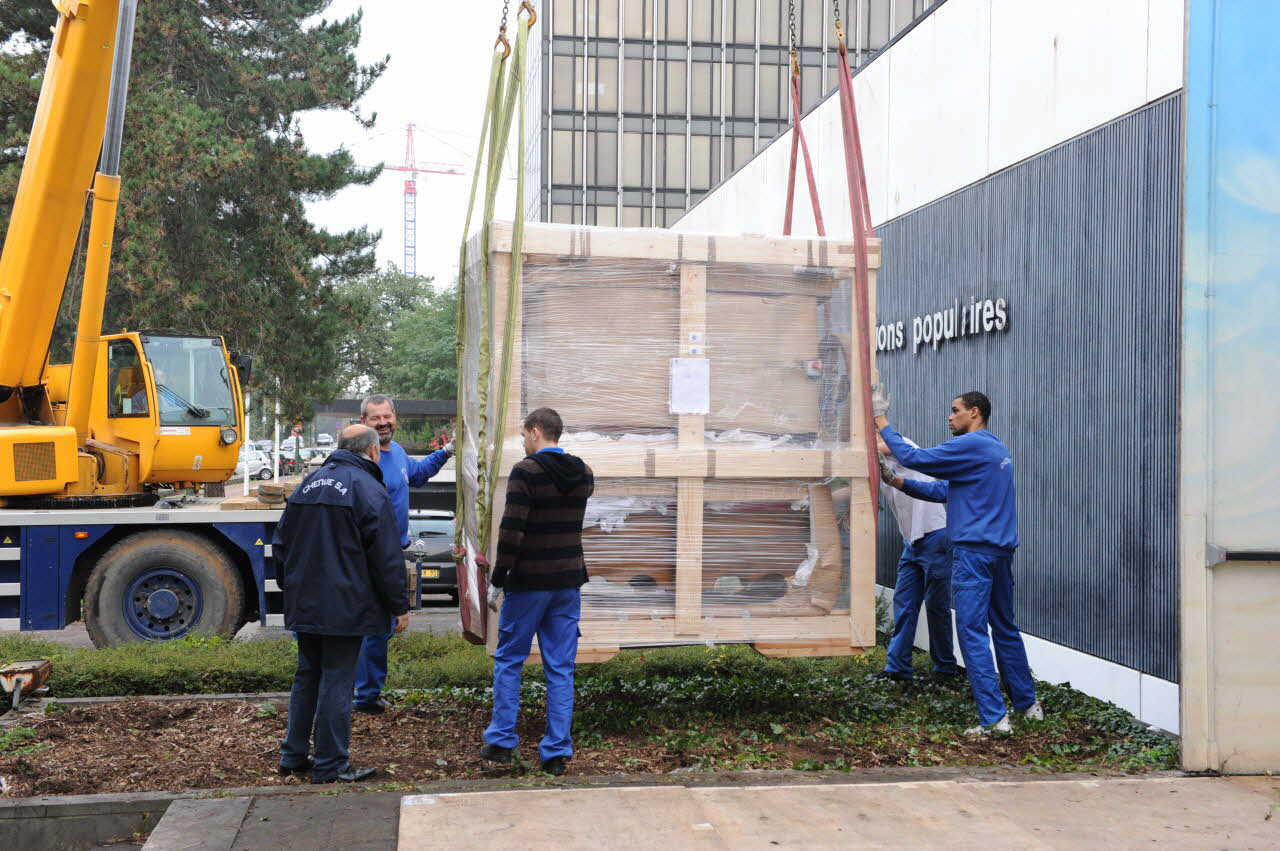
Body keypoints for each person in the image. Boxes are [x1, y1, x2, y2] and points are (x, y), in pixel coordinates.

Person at [873, 387, 1042, 736]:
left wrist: (879, 418)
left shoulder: (971, 445)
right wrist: (896, 480)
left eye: (955, 410)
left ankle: (994, 720)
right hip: (998, 553)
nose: (949, 417)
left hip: (973, 555)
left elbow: (917, 457)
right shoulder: (995, 448)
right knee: (1005, 628)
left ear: (975, 413)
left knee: (971, 631)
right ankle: (1027, 705)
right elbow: (944, 491)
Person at [274, 425, 410, 783]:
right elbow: (386, 556)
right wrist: (399, 605)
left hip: (305, 602)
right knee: (338, 678)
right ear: (372, 451)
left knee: (308, 674)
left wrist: (292, 589)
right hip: (345, 605)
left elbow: (281, 544)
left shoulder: (308, 483)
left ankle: (293, 755)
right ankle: (331, 764)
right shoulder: (369, 489)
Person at [480, 408, 594, 776]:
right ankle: (556, 753)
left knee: (510, 660)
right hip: (567, 582)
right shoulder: (584, 473)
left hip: (529, 582)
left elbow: (512, 530)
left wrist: (497, 579)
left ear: (534, 432)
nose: (523, 442)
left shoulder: (526, 471)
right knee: (560, 667)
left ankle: (501, 743)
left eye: (524, 435)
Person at [352, 394, 454, 713]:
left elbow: (418, 473)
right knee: (373, 627)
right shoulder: (362, 458)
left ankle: (368, 692)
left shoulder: (395, 452)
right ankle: (361, 695)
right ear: (363, 422)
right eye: (375, 418)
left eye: (387, 416)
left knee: (383, 627)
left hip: (392, 552)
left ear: (395, 417)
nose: (383, 423)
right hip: (369, 555)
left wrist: (448, 451)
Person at [866, 432, 962, 685]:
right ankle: (897, 668)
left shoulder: (903, 447)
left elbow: (876, 446)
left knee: (936, 605)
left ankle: (945, 668)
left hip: (935, 535)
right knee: (904, 603)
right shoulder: (875, 464)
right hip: (912, 541)